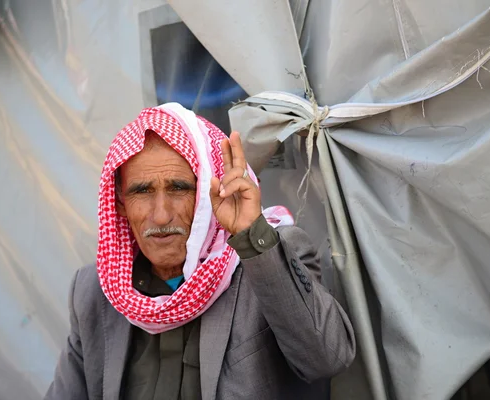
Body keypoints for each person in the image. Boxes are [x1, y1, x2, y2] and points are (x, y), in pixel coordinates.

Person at [45, 103, 356, 400]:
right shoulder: (97, 293)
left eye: (179, 188)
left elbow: (326, 359)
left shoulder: (266, 259)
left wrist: (252, 237)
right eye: (142, 191)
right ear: (121, 205)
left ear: (209, 195)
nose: (162, 215)